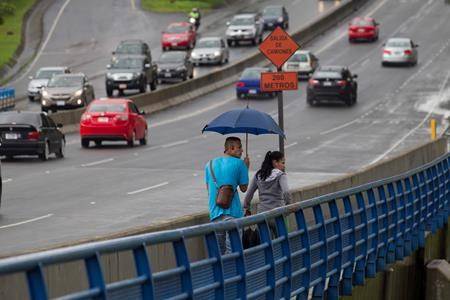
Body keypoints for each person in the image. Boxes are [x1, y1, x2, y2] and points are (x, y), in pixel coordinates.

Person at [205, 136, 249, 254]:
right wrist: (246, 167)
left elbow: (209, 189)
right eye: (239, 147)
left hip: (214, 213)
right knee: (233, 251)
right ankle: (232, 272)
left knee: (219, 252)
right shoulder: (240, 164)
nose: (242, 151)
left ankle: (222, 272)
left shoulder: (209, 164)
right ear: (231, 148)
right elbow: (244, 188)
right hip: (233, 213)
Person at [243, 151, 292, 237]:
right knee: (282, 242)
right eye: (282, 162)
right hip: (277, 214)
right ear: (275, 162)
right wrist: (288, 206)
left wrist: (247, 207)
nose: (284, 165)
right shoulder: (280, 175)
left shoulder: (259, 175)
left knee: (266, 244)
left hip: (262, 215)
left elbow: (249, 195)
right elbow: (286, 192)